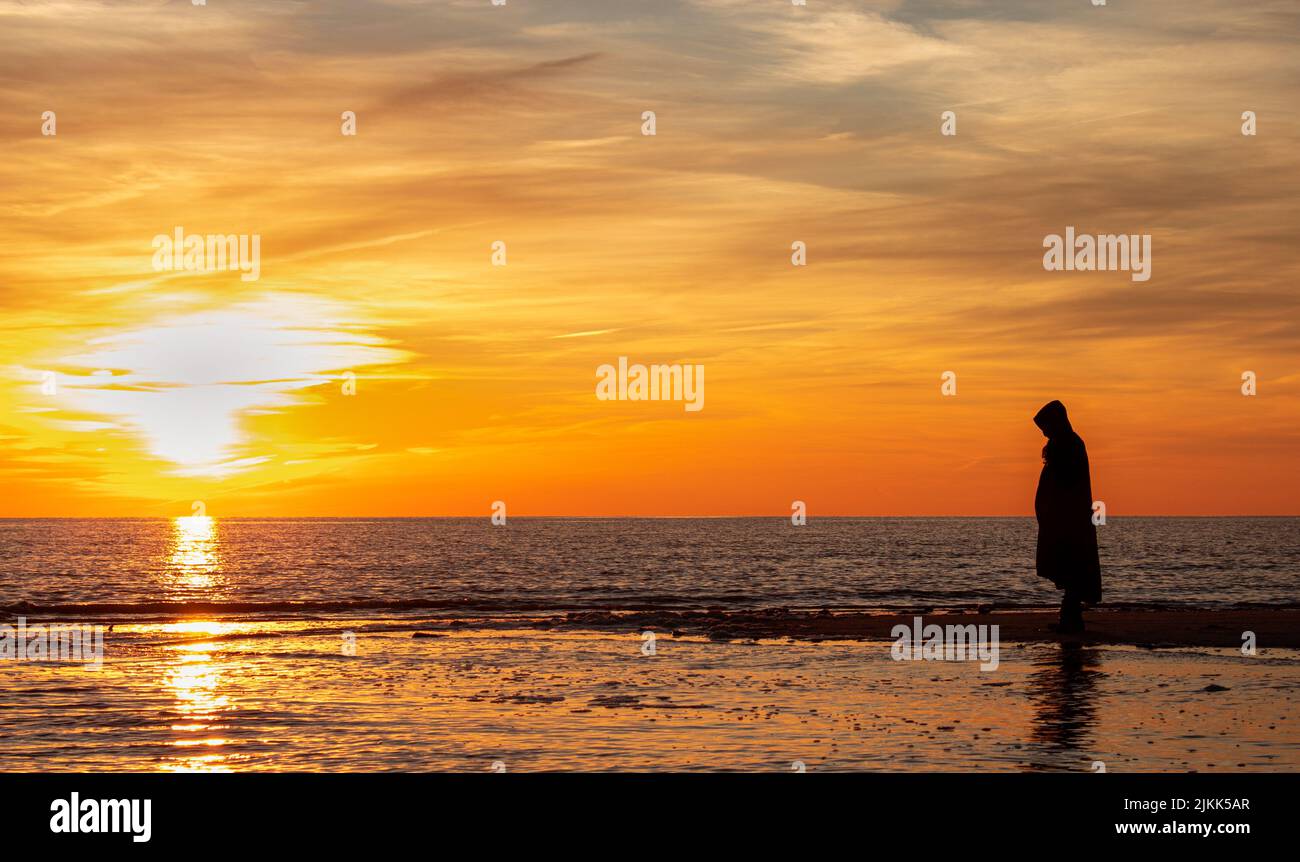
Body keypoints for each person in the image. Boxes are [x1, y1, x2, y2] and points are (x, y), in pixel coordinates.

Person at [1033, 400, 1101, 632]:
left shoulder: (1070, 444)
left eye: (1046, 427)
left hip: (1069, 520)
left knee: (1072, 568)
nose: (1044, 433)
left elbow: (1067, 484)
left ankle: (1070, 620)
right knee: (1068, 568)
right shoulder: (1062, 443)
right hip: (1060, 519)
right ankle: (1070, 619)